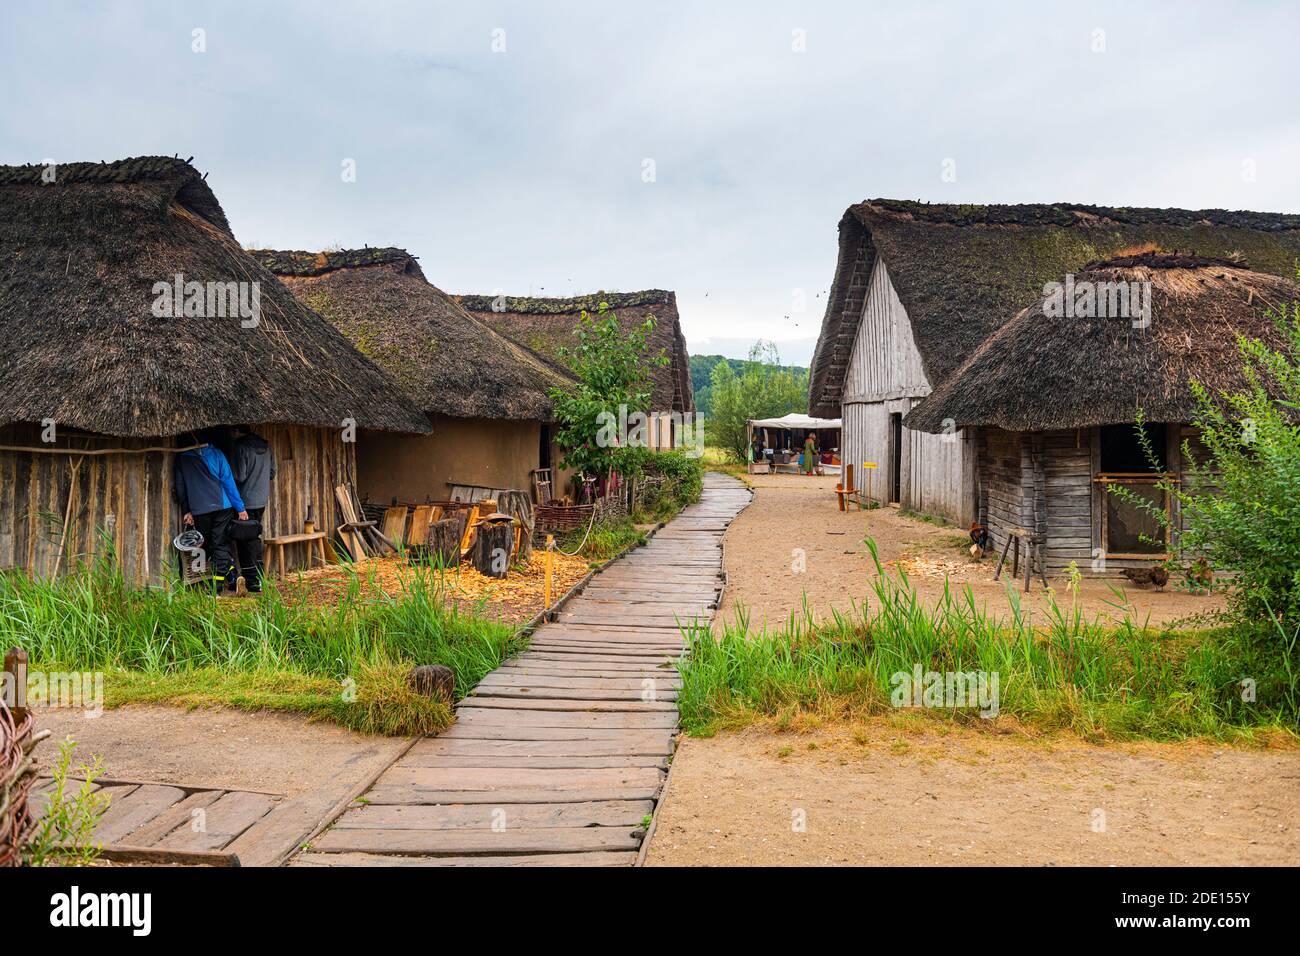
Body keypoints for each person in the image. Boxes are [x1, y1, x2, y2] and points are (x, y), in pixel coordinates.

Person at [173, 432, 247, 593]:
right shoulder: (217, 454)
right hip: (223, 506)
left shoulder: (182, 459)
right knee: (220, 543)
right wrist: (240, 508)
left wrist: (187, 510)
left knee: (207, 544)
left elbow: (180, 487)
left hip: (200, 509)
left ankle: (225, 579)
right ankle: (224, 580)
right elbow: (229, 482)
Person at [231, 426, 276, 594]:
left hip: (245, 501)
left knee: (245, 541)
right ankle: (258, 577)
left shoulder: (241, 448)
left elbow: (239, 475)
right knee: (253, 537)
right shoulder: (266, 446)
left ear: (237, 431)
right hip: (261, 499)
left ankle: (252, 582)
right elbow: (272, 473)